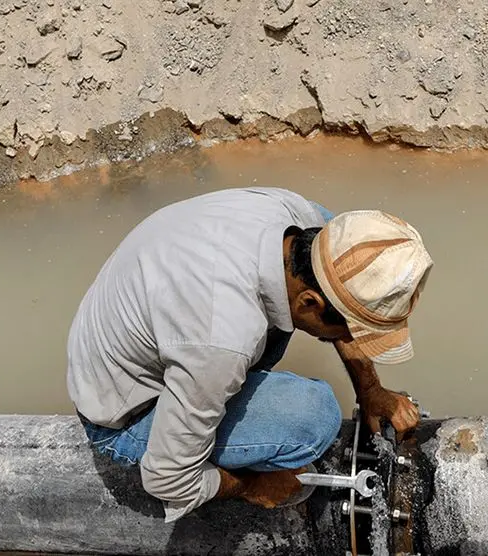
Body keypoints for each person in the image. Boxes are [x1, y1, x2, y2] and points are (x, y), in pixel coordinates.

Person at [67, 187, 433, 523]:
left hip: (144, 327)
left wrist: (370, 390)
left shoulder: (304, 221)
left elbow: (335, 288)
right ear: (310, 302)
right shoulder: (220, 337)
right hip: (125, 413)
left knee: (253, 353)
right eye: (353, 332)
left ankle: (201, 399)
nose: (355, 341)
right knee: (313, 418)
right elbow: (167, 480)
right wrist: (254, 486)